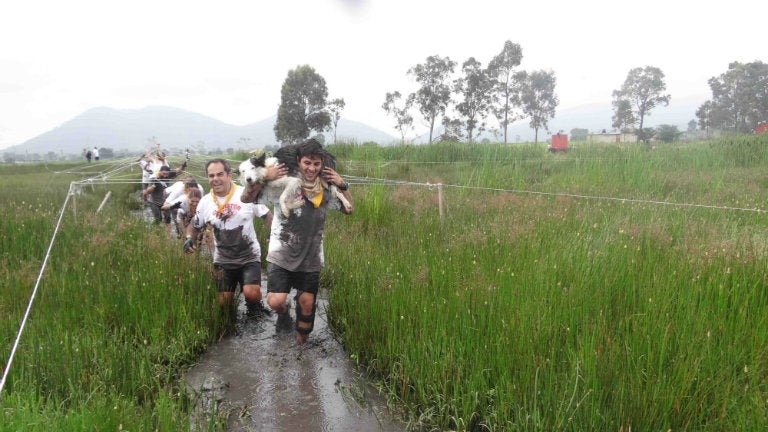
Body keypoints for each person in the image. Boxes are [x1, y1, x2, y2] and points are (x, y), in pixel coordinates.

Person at [255, 138, 353, 345]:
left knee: (307, 304)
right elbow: (247, 198)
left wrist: (342, 184)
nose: (311, 168)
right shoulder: (282, 185)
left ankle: (301, 350)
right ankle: (284, 313)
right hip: (281, 253)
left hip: (311, 257)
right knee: (275, 301)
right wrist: (264, 177)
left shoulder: (325, 189)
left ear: (322, 164)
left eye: (316, 164)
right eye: (307, 163)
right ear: (299, 161)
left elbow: (348, 209)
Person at [184, 158, 286, 310]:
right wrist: (188, 238)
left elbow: (267, 216)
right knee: (224, 305)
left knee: (251, 294)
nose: (215, 179)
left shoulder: (246, 194)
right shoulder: (205, 202)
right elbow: (194, 225)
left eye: (220, 174)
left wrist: (273, 234)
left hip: (249, 256)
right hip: (222, 260)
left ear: (229, 175)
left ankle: (257, 310)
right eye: (211, 176)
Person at [141, 160, 186, 226]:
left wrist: (184, 164)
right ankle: (157, 233)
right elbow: (148, 191)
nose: (165, 176)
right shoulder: (154, 178)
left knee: (168, 219)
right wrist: (154, 185)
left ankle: (167, 235)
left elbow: (179, 170)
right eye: (163, 174)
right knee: (158, 219)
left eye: (166, 174)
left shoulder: (168, 174)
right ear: (160, 172)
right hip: (154, 202)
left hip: (165, 201)